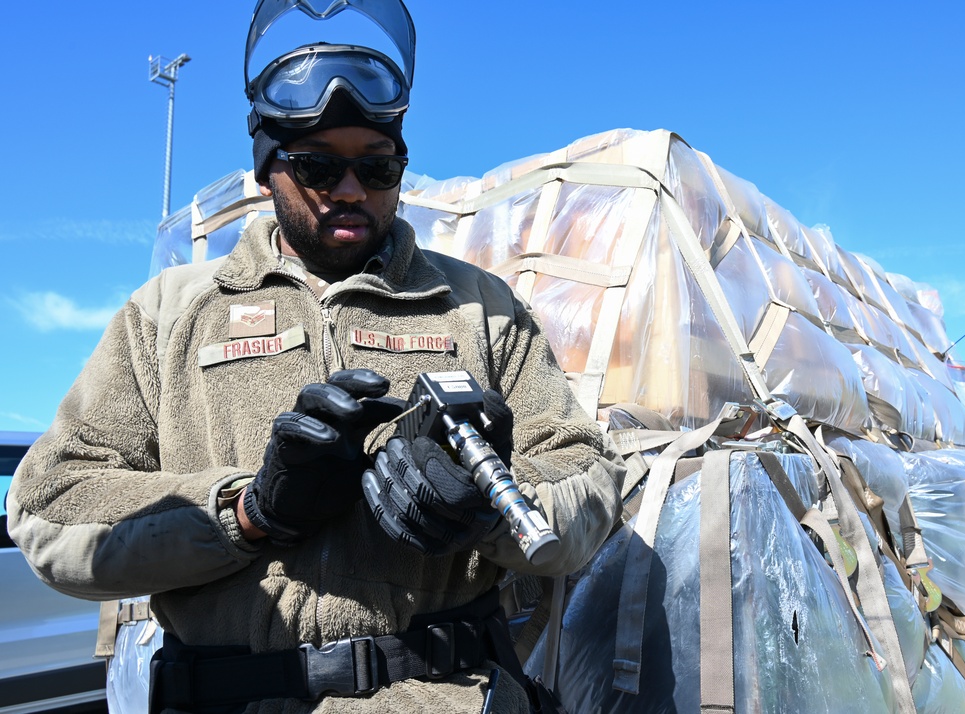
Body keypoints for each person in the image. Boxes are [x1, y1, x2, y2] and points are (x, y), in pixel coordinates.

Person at [7, 1, 624, 712]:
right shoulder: (167, 314)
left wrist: (484, 511)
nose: (353, 189)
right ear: (269, 171)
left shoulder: (478, 307)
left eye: (379, 166)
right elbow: (48, 510)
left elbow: (587, 479)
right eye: (319, 167)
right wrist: (249, 513)